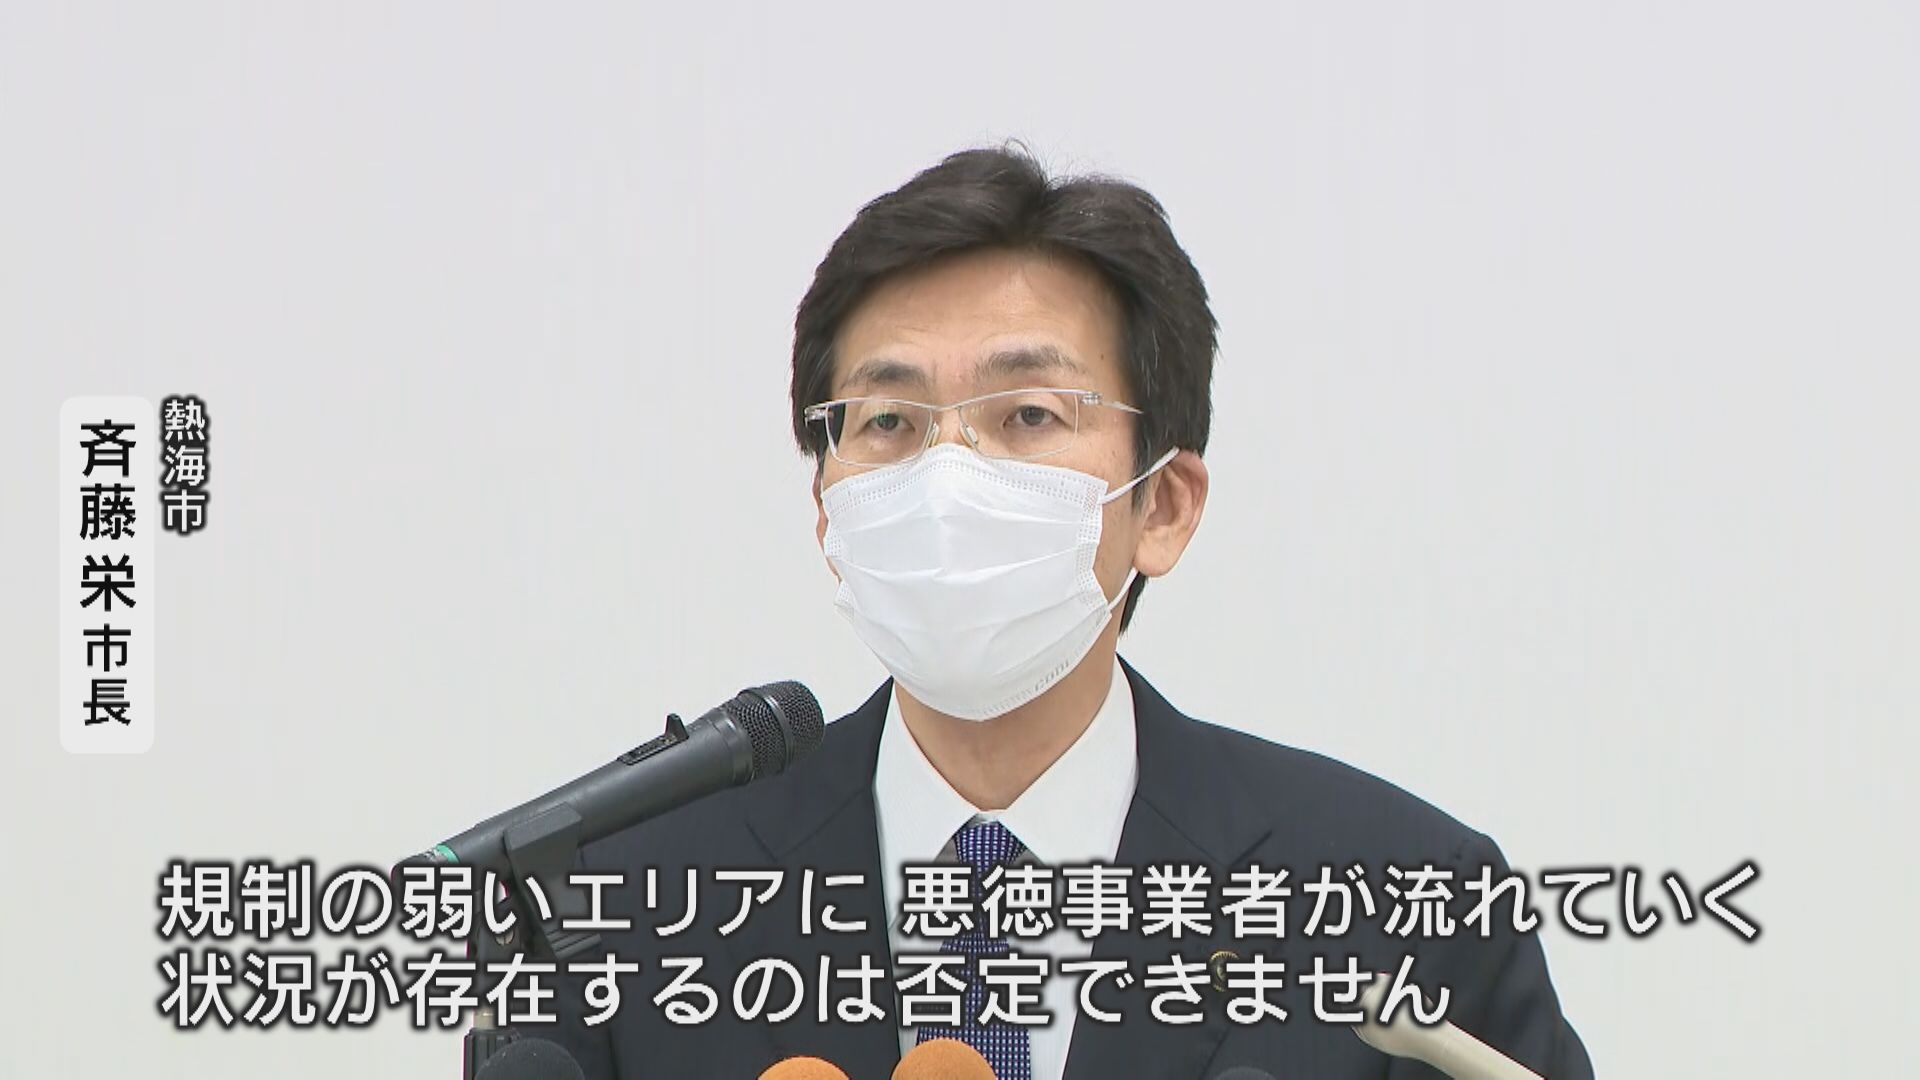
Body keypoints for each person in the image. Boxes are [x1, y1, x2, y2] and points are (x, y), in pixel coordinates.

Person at [549, 146, 1592, 1079]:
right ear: (829, 509)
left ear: (1163, 506)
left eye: (1029, 414)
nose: (949, 475)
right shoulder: (618, 912)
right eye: (890, 421)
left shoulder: (1405, 907)